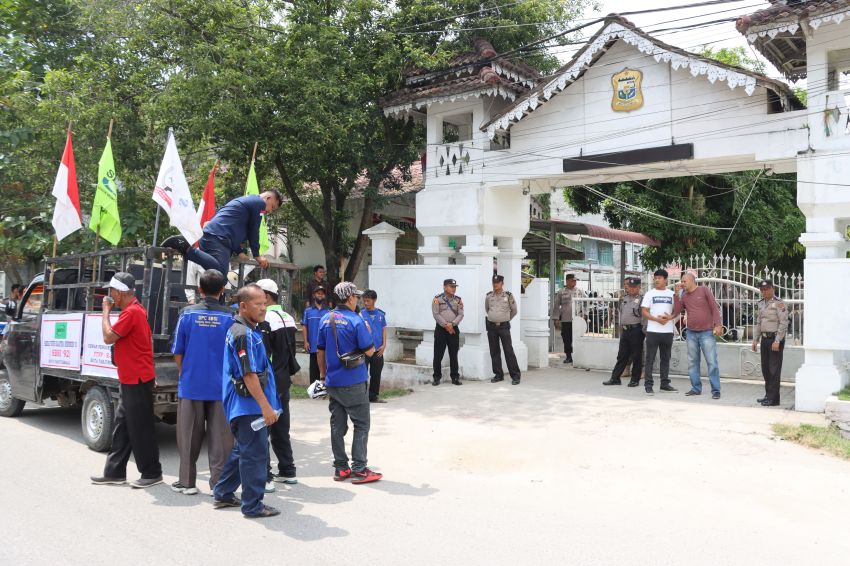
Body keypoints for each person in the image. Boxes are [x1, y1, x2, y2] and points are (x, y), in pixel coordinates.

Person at [213, 284, 281, 518]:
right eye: (258, 304)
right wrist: (266, 407)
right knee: (255, 455)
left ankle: (222, 492)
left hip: (246, 405)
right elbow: (249, 375)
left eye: (265, 303)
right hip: (249, 406)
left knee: (243, 450)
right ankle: (252, 506)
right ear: (243, 306)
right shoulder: (242, 334)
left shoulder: (248, 329)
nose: (263, 308)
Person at [90, 272, 163, 488]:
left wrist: (105, 312)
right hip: (132, 377)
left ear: (119, 293)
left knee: (140, 428)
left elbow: (107, 337)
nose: (110, 296)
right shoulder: (135, 310)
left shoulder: (131, 313)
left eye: (111, 292)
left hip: (137, 379)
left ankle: (152, 472)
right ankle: (114, 472)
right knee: (122, 426)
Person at [170, 269, 234, 495]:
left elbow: (178, 351)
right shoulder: (230, 317)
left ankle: (187, 483)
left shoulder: (187, 315)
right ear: (222, 290)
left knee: (188, 437)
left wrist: (185, 372)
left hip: (191, 384)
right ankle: (219, 486)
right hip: (221, 387)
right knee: (221, 440)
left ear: (199, 289)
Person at [317, 281, 382, 484]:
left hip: (332, 381)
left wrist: (322, 376)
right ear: (350, 298)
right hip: (354, 380)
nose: (358, 300)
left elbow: (320, 351)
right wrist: (369, 330)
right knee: (361, 424)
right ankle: (360, 469)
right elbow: (370, 351)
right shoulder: (356, 320)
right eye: (356, 296)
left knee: (337, 426)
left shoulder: (326, 319)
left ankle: (341, 468)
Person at [161, 190, 283, 275]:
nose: (269, 211)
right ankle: (185, 247)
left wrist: (239, 252)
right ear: (268, 198)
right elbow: (253, 230)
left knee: (216, 277)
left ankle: (212, 304)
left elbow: (234, 230)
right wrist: (257, 255)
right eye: (272, 207)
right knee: (219, 275)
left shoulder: (247, 202)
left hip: (214, 237)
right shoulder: (258, 203)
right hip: (217, 238)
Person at [256, 278, 301, 489]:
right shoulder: (287, 317)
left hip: (270, 381)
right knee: (281, 427)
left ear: (265, 296)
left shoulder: (265, 320)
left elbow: (264, 355)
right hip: (284, 380)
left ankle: (265, 477)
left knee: (262, 428)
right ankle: (288, 470)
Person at [672, 272, 723, 399]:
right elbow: (677, 311)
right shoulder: (683, 295)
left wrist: (718, 324)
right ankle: (696, 388)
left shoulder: (704, 290)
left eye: (684, 281)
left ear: (692, 280)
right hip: (691, 333)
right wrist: (676, 294)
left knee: (712, 362)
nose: (682, 284)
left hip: (706, 332)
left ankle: (716, 390)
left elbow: (714, 308)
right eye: (681, 282)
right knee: (693, 362)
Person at [641, 269, 678, 396]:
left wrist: (670, 318)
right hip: (653, 331)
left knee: (665, 358)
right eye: (655, 278)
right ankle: (648, 385)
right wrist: (656, 319)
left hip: (667, 331)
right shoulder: (649, 294)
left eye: (660, 278)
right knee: (650, 359)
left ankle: (664, 384)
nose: (657, 280)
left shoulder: (672, 294)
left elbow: (677, 311)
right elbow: (644, 311)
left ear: (666, 280)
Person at [603, 277, 646, 387]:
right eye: (629, 287)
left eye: (633, 287)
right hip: (625, 330)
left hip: (636, 330)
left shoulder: (642, 299)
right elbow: (621, 312)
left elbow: (644, 317)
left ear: (638, 287)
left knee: (636, 355)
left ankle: (635, 379)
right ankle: (615, 378)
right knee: (621, 355)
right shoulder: (624, 298)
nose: (630, 289)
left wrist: (644, 330)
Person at [752, 280, 788, 407]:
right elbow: (758, 323)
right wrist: (755, 339)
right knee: (765, 369)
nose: (764, 291)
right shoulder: (761, 303)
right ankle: (768, 395)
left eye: (766, 289)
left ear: (772, 288)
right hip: (765, 339)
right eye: (762, 290)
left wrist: (778, 340)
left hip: (774, 340)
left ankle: (773, 399)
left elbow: (783, 323)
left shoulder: (779, 303)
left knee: (774, 370)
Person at [485, 274, 521, 385]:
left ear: (502, 284)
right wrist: (494, 317)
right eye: (494, 283)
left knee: (508, 351)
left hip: (504, 326)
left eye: (498, 283)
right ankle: (498, 375)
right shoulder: (488, 296)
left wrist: (505, 319)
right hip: (491, 326)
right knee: (494, 351)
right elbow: (487, 309)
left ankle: (515, 376)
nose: (495, 284)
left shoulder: (508, 296)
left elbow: (514, 310)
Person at [432, 278, 464, 386]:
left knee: (453, 354)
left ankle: (455, 377)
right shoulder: (437, 299)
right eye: (451, 286)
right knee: (438, 354)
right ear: (445, 287)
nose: (454, 289)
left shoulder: (458, 300)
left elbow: (461, 314)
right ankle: (436, 377)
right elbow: (436, 314)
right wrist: (446, 325)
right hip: (441, 329)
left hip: (453, 330)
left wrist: (453, 324)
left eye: (455, 287)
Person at [550, 274, 586, 364]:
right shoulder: (561, 292)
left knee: (577, 338)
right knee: (566, 339)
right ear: (567, 281)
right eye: (573, 280)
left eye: (575, 280)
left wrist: (584, 314)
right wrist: (556, 319)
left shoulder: (579, 291)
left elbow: (585, 303)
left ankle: (578, 356)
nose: (575, 282)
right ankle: (569, 356)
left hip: (577, 320)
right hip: (566, 320)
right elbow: (556, 306)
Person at [360, 289, 388, 403]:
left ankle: (374, 396)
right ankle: (362, 397)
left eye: (368, 301)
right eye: (364, 301)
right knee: (362, 374)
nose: (366, 303)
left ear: (374, 300)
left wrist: (384, 345)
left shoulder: (381, 314)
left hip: (378, 350)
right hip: (365, 350)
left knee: (376, 374)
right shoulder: (361, 314)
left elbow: (384, 329)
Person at [302, 286, 330, 384]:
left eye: (322, 293)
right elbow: (304, 326)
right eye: (318, 293)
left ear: (324, 296)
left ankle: (325, 390)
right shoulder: (308, 311)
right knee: (314, 370)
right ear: (314, 295)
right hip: (313, 345)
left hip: (326, 346)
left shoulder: (329, 311)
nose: (320, 295)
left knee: (326, 369)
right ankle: (314, 392)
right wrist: (305, 342)